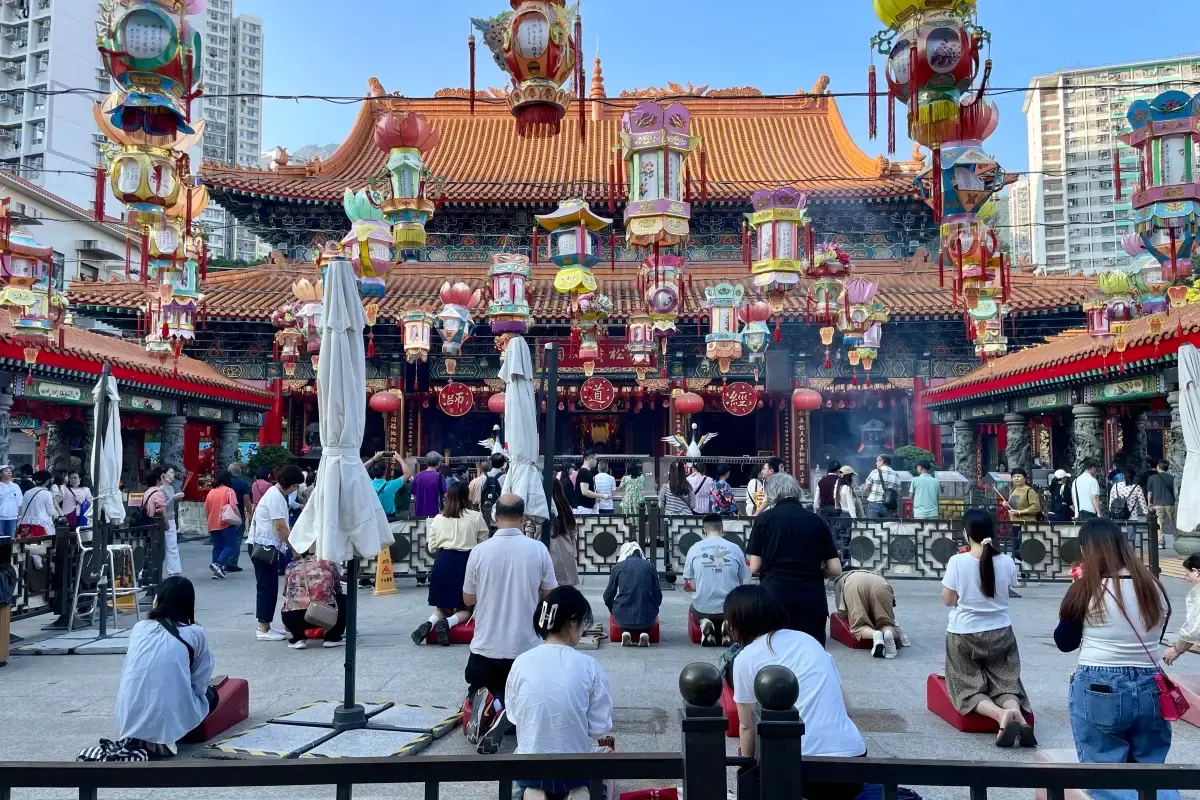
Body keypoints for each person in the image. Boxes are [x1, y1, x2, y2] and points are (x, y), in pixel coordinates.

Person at [1054, 519, 1176, 798]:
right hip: (1151, 685)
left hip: (1100, 686)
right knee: (1153, 772)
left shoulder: (1087, 588)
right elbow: (1155, 637)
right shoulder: (1153, 587)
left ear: (1088, 551)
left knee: (1104, 771)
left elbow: (1065, 642)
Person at [726, 584, 866, 799]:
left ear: (738, 621)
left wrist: (748, 771)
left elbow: (746, 726)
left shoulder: (747, 658)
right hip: (854, 758)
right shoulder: (808, 640)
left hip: (798, 767)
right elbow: (848, 709)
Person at [462, 494, 557, 755]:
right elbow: (551, 593)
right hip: (526, 650)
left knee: (478, 686)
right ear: (523, 518)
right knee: (532, 695)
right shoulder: (538, 549)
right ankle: (507, 709)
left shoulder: (479, 551)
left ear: (495, 517)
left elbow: (468, 598)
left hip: (484, 651)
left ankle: (489, 704)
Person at [505, 586, 613, 800]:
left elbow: (514, 716)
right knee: (605, 754)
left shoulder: (521, 663)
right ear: (572, 622)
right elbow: (601, 726)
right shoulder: (589, 665)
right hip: (576, 772)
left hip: (530, 772)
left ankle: (530, 792)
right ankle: (581, 793)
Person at [941, 509, 1034, 747]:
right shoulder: (1007, 561)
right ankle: (1018, 715)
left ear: (966, 533)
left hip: (964, 633)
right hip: (1001, 632)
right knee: (1006, 682)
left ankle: (999, 715)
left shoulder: (957, 561)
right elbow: (1008, 588)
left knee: (966, 685)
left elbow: (949, 600)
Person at [113, 577, 216, 756]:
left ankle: (146, 732)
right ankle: (165, 734)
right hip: (169, 714)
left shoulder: (140, 627)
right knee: (211, 695)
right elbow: (199, 684)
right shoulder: (196, 633)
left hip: (126, 718)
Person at [746, 472, 841, 645]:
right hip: (812, 599)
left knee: (776, 654)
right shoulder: (817, 521)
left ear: (772, 494)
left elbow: (755, 567)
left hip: (774, 597)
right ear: (796, 491)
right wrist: (816, 572)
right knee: (810, 657)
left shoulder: (763, 520)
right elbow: (835, 569)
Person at [411, 480, 489, 646]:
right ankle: (448, 623)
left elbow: (431, 547)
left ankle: (431, 623)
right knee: (465, 607)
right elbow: (484, 543)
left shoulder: (438, 518)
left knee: (442, 606)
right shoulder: (475, 517)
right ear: (466, 496)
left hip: (443, 561)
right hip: (465, 563)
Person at [246, 464, 303, 642]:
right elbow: (280, 527)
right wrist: (294, 549)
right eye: (295, 486)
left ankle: (266, 625)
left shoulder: (274, 494)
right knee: (266, 587)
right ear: (288, 483)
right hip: (264, 547)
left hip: (265, 545)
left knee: (269, 587)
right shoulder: (276, 497)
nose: (295, 489)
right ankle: (263, 628)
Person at [683, 513, 747, 646]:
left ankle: (705, 622)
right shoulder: (735, 548)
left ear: (703, 530)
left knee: (697, 605)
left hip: (703, 608)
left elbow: (692, 585)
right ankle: (727, 625)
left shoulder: (694, 549)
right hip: (730, 609)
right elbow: (741, 583)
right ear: (722, 529)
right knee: (732, 604)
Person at [833, 569, 910, 658]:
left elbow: (842, 612)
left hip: (854, 585)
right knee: (886, 623)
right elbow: (891, 604)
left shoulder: (841, 578)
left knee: (859, 626)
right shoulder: (874, 573)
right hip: (881, 583)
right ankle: (888, 633)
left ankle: (875, 635)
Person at [280, 551, 346, 649]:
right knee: (344, 599)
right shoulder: (328, 564)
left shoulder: (291, 566)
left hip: (294, 617)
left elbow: (285, 592)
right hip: (323, 614)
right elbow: (337, 589)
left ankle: (298, 638)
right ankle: (332, 637)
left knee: (290, 604)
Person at [603, 541, 662, 646]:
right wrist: (654, 609)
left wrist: (613, 610)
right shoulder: (650, 566)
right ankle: (644, 633)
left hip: (623, 615)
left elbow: (607, 596)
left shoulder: (618, 567)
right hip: (647, 616)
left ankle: (625, 632)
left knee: (623, 610)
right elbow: (658, 596)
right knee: (645, 612)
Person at [142, 466, 186, 577]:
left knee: (172, 545)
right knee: (159, 546)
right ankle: (149, 571)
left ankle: (174, 570)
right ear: (163, 475)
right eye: (170, 472)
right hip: (163, 520)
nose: (172, 475)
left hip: (170, 518)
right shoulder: (160, 490)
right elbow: (164, 506)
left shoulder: (170, 488)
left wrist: (176, 499)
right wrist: (173, 499)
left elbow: (169, 506)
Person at [1164, 554, 1200, 666]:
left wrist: (1176, 649)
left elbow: (1193, 629)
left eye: (1187, 574)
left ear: (1196, 571)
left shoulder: (1197, 593)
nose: (1186, 578)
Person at [203, 471, 241, 579]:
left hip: (212, 522)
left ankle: (217, 570)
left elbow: (206, 509)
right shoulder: (229, 491)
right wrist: (239, 518)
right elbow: (233, 507)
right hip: (226, 522)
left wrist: (209, 521)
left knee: (217, 547)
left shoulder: (211, 492)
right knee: (230, 545)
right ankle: (218, 564)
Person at [549, 478, 580, 587]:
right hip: (566, 549)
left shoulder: (541, 509)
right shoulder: (565, 507)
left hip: (548, 550)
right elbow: (573, 530)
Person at [1108, 469, 1148, 545]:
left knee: (1117, 537)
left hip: (1117, 516)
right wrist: (1146, 513)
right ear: (1134, 477)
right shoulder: (1137, 487)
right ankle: (1130, 555)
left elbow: (1111, 502)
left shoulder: (1115, 486)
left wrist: (1112, 513)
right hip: (1131, 516)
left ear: (1123, 476)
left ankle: (1118, 554)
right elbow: (1142, 502)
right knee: (1131, 538)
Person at [225, 463, 251, 571]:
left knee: (225, 539)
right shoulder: (242, 484)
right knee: (236, 540)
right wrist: (250, 513)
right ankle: (232, 563)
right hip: (237, 515)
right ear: (239, 472)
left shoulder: (224, 484)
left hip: (224, 515)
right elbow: (246, 500)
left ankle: (222, 561)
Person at [18, 470, 58, 537]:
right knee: (42, 545)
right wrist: (56, 513)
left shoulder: (27, 493)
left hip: (26, 523)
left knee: (26, 545)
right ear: (47, 481)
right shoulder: (47, 493)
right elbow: (50, 511)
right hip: (42, 524)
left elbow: (23, 509)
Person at [369, 452, 411, 517]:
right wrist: (399, 458)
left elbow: (357, 473)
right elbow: (407, 474)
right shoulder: (390, 485)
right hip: (389, 519)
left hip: (373, 518)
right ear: (386, 471)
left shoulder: (368, 484)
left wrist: (373, 460)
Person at [1146, 460, 1176, 550]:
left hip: (1157, 504)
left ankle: (1161, 542)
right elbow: (1175, 491)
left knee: (1159, 524)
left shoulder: (1152, 478)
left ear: (1158, 467)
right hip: (1170, 503)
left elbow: (1149, 492)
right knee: (1173, 523)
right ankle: (1177, 540)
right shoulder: (1172, 478)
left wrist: (1149, 503)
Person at [861, 454, 901, 519]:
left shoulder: (875, 472)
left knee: (873, 526)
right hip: (889, 506)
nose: (876, 463)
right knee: (886, 528)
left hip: (874, 505)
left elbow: (866, 488)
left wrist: (863, 487)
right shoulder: (896, 475)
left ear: (882, 461)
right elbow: (898, 492)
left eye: (877, 461)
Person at [411, 452, 448, 518]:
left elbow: (414, 495)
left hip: (419, 515)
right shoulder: (439, 477)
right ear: (438, 463)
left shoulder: (417, 476)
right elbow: (446, 495)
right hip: (435, 515)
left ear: (427, 463)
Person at [479, 452, 507, 526]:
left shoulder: (483, 477)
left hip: (486, 511)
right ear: (503, 464)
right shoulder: (505, 477)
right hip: (500, 512)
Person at [0, 465, 22, 539]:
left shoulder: (15, 486)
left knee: (10, 540)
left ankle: (8, 551)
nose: (9, 473)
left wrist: (19, 516)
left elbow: (20, 502)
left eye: (10, 471)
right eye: (6, 471)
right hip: (0, 518)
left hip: (12, 518)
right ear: (0, 474)